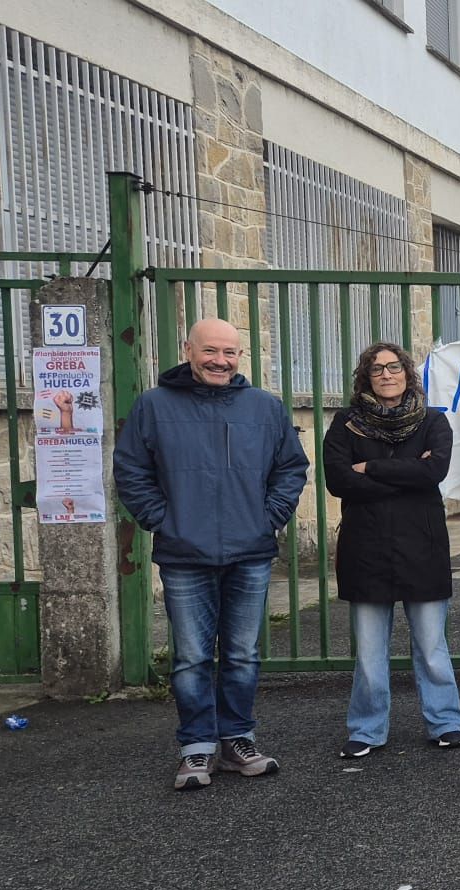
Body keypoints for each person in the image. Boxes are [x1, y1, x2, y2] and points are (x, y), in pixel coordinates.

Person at [115, 317, 309, 791]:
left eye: (230, 352)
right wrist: (163, 519)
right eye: (210, 351)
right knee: (192, 657)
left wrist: (268, 518)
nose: (220, 360)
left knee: (242, 654)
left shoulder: (264, 407)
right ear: (188, 350)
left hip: (250, 551)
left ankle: (237, 739)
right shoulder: (154, 406)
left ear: (240, 356)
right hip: (184, 553)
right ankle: (196, 748)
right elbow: (131, 470)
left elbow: (291, 468)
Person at [322, 341, 460, 758]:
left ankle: (445, 722)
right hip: (365, 548)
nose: (386, 375)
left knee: (432, 647)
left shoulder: (434, 421)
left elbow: (433, 471)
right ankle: (366, 730)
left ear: (407, 372)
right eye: (376, 369)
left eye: (393, 367)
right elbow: (337, 480)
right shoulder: (345, 423)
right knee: (368, 653)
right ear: (365, 378)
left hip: (422, 546)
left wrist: (370, 467)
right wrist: (408, 474)